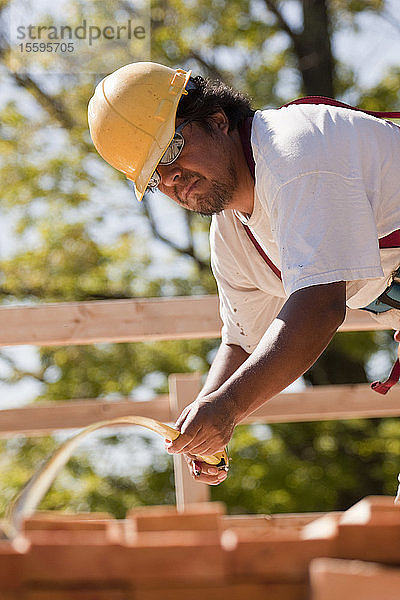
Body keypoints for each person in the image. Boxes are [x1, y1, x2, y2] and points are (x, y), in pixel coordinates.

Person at [88, 61, 400, 486]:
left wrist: (229, 407)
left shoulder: (296, 151)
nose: (171, 177)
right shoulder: (232, 235)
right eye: (153, 176)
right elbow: (242, 342)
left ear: (217, 121)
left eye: (170, 151)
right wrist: (205, 422)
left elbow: (320, 305)